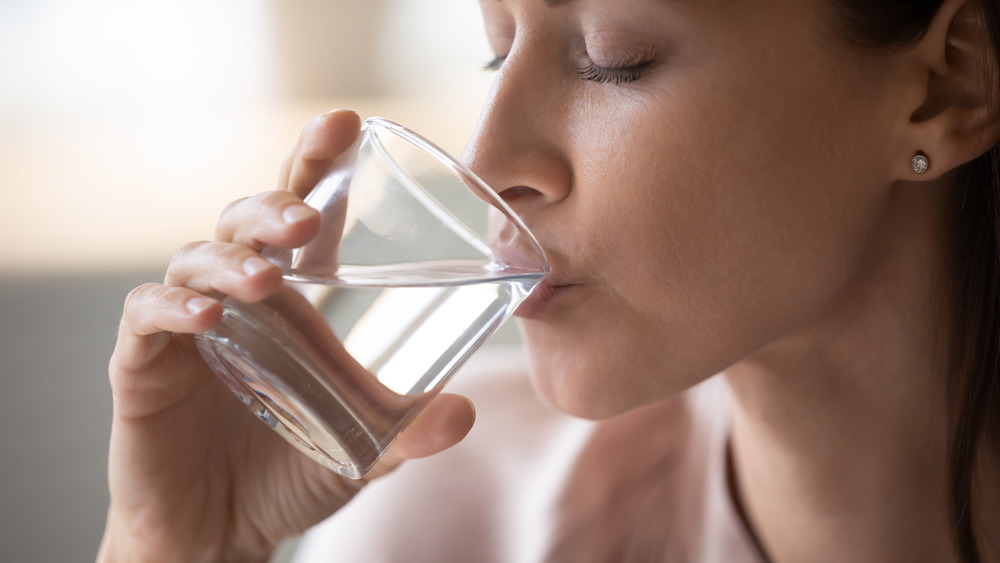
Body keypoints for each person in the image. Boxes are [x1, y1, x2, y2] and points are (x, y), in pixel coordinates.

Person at [98, 0, 1000, 560]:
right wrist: (180, 547)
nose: (485, 162)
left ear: (947, 87)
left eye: (614, 58)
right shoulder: (449, 528)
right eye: (498, 49)